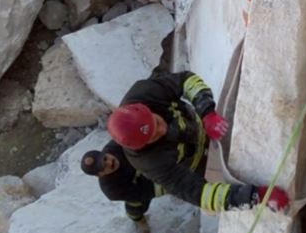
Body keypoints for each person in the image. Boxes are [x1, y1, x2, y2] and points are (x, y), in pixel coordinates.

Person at [107, 71, 289, 214]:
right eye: (153, 136)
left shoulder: (144, 92)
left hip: (202, 125)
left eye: (156, 122)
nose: (161, 130)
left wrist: (206, 111)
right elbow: (199, 194)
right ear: (141, 146)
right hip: (198, 164)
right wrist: (256, 196)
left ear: (144, 108)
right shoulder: (150, 163)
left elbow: (186, 80)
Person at [81, 140, 164, 233]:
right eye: (103, 167)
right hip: (138, 186)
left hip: (145, 161)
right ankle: (138, 220)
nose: (110, 162)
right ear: (99, 175)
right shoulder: (112, 190)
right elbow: (147, 191)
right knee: (137, 204)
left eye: (105, 158)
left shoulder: (117, 144)